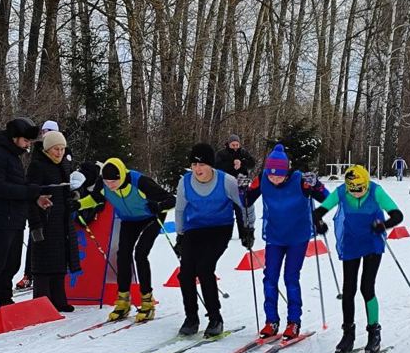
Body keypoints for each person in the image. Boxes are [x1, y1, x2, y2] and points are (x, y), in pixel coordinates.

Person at [312, 165, 403, 353]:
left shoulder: (376, 191)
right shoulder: (342, 191)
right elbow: (319, 211)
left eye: (360, 189)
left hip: (372, 243)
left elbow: (397, 215)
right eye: (352, 190)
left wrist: (383, 225)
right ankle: (348, 334)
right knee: (348, 289)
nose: (357, 193)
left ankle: (374, 333)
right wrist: (319, 223)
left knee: (367, 287)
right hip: (351, 243)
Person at [243, 144, 329, 340]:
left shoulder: (300, 180)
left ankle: (294, 322)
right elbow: (246, 199)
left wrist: (316, 185)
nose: (274, 178)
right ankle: (271, 321)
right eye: (271, 174)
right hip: (274, 236)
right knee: (269, 277)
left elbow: (326, 198)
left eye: (278, 175)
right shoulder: (263, 179)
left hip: (298, 237)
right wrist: (242, 189)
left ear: (287, 171)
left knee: (291, 277)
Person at [81, 157, 175, 322]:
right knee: (122, 255)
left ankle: (147, 302)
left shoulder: (140, 182)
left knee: (140, 253)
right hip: (129, 220)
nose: (110, 186)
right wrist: (78, 204)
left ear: (122, 176)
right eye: (107, 182)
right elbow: (96, 198)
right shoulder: (103, 183)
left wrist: (160, 206)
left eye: (114, 182)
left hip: (151, 217)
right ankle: (123, 300)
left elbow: (171, 200)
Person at [175, 143, 250, 337]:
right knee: (185, 273)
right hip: (194, 228)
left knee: (205, 268)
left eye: (202, 165)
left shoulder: (227, 181)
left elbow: (244, 204)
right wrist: (180, 235)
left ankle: (215, 318)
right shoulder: (185, 182)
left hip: (220, 228)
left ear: (211, 165)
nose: (197, 169)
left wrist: (247, 230)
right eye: (194, 165)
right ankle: (191, 318)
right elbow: (180, 209)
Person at [0, 118, 47, 324]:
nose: (27, 145)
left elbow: (16, 183)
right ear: (15, 138)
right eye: (26, 140)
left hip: (16, 216)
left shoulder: (13, 156)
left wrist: (32, 195)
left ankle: (6, 299)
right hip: (1, 217)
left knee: (12, 262)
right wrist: (28, 192)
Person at [24, 130, 81, 313]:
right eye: (56, 149)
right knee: (43, 263)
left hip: (62, 220)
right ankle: (42, 301)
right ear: (47, 149)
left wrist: (72, 198)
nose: (59, 152)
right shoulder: (37, 166)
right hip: (44, 220)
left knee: (60, 261)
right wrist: (35, 224)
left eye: (62, 149)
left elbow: (66, 190)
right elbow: (31, 195)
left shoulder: (63, 165)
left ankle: (59, 300)